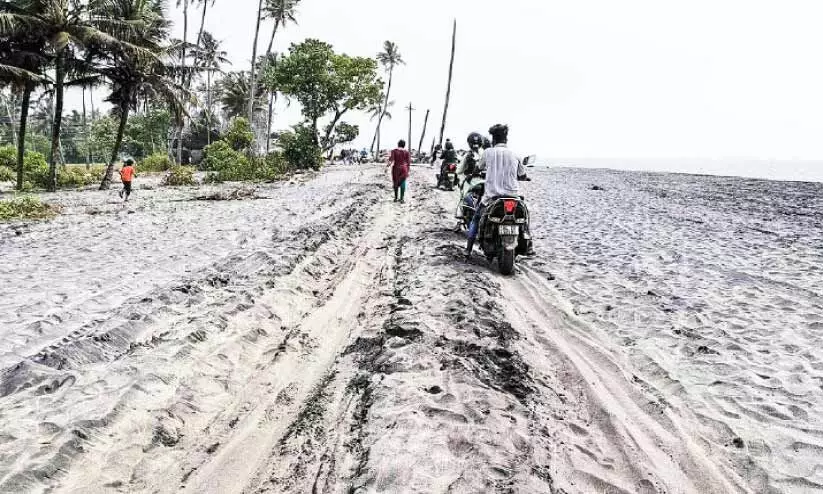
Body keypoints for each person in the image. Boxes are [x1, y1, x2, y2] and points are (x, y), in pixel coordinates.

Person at [465, 124, 535, 258]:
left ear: (493, 139)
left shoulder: (488, 152)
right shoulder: (515, 154)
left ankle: (468, 250)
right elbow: (522, 174)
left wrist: (473, 173)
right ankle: (530, 245)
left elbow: (478, 168)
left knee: (476, 219)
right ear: (506, 139)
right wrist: (525, 178)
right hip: (513, 197)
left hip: (492, 197)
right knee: (524, 217)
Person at [454, 132, 485, 224]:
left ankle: (462, 216)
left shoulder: (468, 155)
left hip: (473, 181)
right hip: (487, 181)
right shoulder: (486, 153)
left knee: (463, 196)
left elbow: (459, 170)